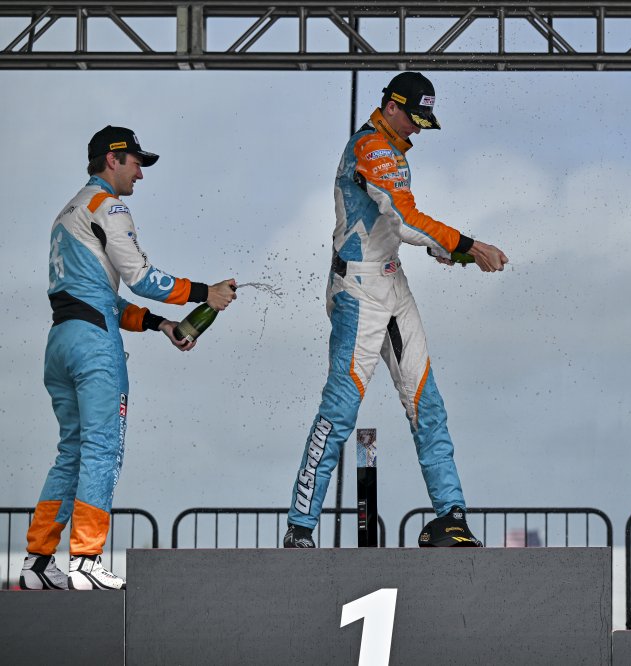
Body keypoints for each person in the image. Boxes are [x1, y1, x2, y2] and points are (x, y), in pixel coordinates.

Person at [283, 72, 508, 548]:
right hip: (357, 292)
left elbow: (395, 227)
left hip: (392, 280)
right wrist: (470, 244)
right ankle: (300, 527)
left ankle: (452, 517)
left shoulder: (393, 149)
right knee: (340, 411)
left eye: (424, 122)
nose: (418, 130)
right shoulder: (371, 147)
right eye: (414, 119)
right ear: (390, 107)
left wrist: (448, 252)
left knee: (428, 406)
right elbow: (405, 220)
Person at [20, 126, 237, 590]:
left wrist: (160, 325)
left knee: (71, 452)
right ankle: (86, 561)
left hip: (61, 341)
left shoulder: (67, 212)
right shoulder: (109, 206)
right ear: (112, 160)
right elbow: (141, 277)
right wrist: (205, 292)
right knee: (103, 450)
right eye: (136, 163)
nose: (140, 174)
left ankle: (37, 562)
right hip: (95, 347)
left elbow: (104, 298)